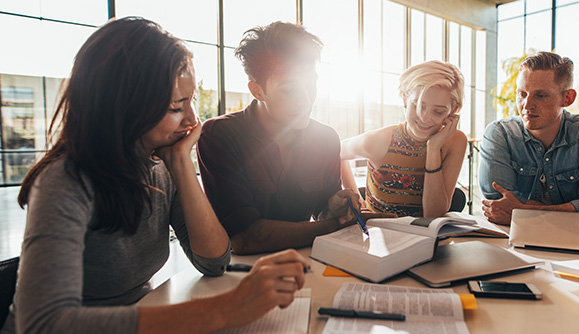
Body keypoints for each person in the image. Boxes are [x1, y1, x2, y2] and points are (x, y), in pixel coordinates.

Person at [2, 17, 309, 334]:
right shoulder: (64, 182)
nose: (192, 120)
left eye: (190, 101)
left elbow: (214, 262)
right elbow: (42, 324)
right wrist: (226, 310)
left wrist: (181, 167)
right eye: (177, 107)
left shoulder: (162, 165)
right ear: (126, 107)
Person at [197, 22, 387, 255]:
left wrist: (334, 207)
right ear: (257, 90)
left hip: (306, 263)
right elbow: (244, 238)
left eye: (311, 85)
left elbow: (321, 213)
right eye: (289, 90)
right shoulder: (219, 136)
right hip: (243, 274)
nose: (306, 100)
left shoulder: (326, 138)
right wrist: (334, 225)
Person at [479, 51, 579, 225]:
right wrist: (573, 211)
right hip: (515, 242)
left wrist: (522, 213)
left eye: (540, 96)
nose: (526, 105)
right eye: (522, 94)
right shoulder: (500, 134)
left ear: (567, 98)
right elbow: (498, 206)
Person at [340, 60, 467, 218]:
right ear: (406, 100)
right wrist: (357, 202)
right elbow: (337, 152)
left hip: (428, 238)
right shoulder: (380, 141)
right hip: (380, 236)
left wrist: (433, 149)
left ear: (453, 111)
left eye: (438, 112)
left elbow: (433, 215)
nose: (425, 118)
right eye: (418, 105)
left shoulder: (454, 141)